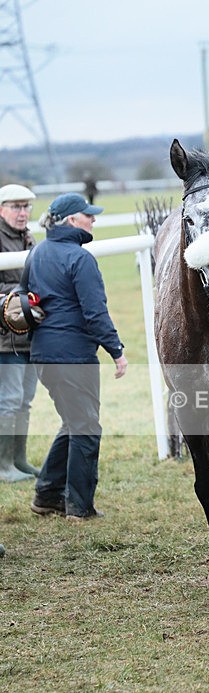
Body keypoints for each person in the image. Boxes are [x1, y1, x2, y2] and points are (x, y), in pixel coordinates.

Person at [28, 192, 128, 521]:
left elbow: (28, 301)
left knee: (73, 423)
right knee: (86, 428)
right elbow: (95, 314)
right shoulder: (80, 259)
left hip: (43, 356)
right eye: (88, 215)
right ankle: (79, 507)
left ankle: (47, 494)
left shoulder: (37, 252)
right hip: (73, 357)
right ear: (73, 220)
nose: (93, 219)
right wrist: (117, 351)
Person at [0, 183, 40, 482]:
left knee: (24, 400)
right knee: (10, 399)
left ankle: (19, 460)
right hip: (5, 337)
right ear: (2, 209)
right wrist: (23, 296)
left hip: (29, 334)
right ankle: (3, 466)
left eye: (25, 207)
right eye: (16, 206)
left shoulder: (28, 237)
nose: (22, 212)